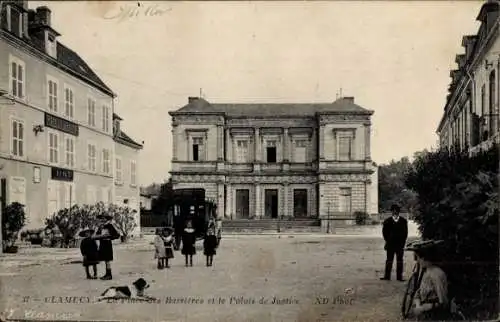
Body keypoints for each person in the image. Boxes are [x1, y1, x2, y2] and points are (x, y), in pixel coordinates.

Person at [407, 240, 449, 320]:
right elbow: (419, 292)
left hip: (433, 315)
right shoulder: (426, 271)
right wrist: (418, 305)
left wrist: (423, 308)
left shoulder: (437, 274)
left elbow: (442, 301)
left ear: (424, 258)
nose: (417, 261)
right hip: (423, 311)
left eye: (418, 258)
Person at [381, 204, 408, 281]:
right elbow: (384, 233)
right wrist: (388, 240)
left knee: (400, 261)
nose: (395, 212)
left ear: (399, 212)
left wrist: (403, 242)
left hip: (400, 244)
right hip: (390, 244)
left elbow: (405, 233)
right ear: (392, 211)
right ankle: (387, 276)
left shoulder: (403, 221)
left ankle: (399, 277)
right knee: (389, 260)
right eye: (394, 210)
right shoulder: (387, 221)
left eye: (397, 210)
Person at [95, 214, 120, 280]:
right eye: (102, 218)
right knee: (106, 260)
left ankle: (109, 275)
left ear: (107, 219)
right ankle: (107, 274)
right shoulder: (101, 226)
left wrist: (109, 237)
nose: (102, 219)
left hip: (107, 243)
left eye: (104, 218)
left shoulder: (110, 226)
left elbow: (116, 235)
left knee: (108, 260)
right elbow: (97, 234)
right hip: (102, 243)